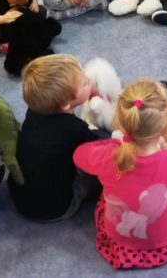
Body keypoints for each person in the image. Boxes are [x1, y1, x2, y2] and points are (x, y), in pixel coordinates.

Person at [74, 79, 167, 270]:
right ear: (165, 126)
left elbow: (79, 156)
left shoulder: (109, 155)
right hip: (164, 241)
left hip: (117, 240)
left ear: (120, 123)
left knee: (107, 196)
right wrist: (166, 149)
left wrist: (113, 144)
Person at [7, 54, 101, 221]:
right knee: (98, 172)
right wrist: (95, 130)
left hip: (20, 195)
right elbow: (102, 145)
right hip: (55, 208)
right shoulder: (74, 127)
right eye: (85, 83)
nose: (90, 80)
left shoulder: (34, 110)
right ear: (65, 104)